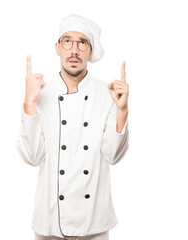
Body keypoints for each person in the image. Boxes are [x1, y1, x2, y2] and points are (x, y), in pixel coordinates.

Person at [16, 13, 130, 240]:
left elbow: (113, 156)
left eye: (82, 43)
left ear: (90, 50)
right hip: (50, 224)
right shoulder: (40, 93)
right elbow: (32, 157)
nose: (74, 50)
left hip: (94, 224)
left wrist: (122, 111)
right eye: (67, 42)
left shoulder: (108, 94)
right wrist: (29, 104)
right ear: (58, 48)